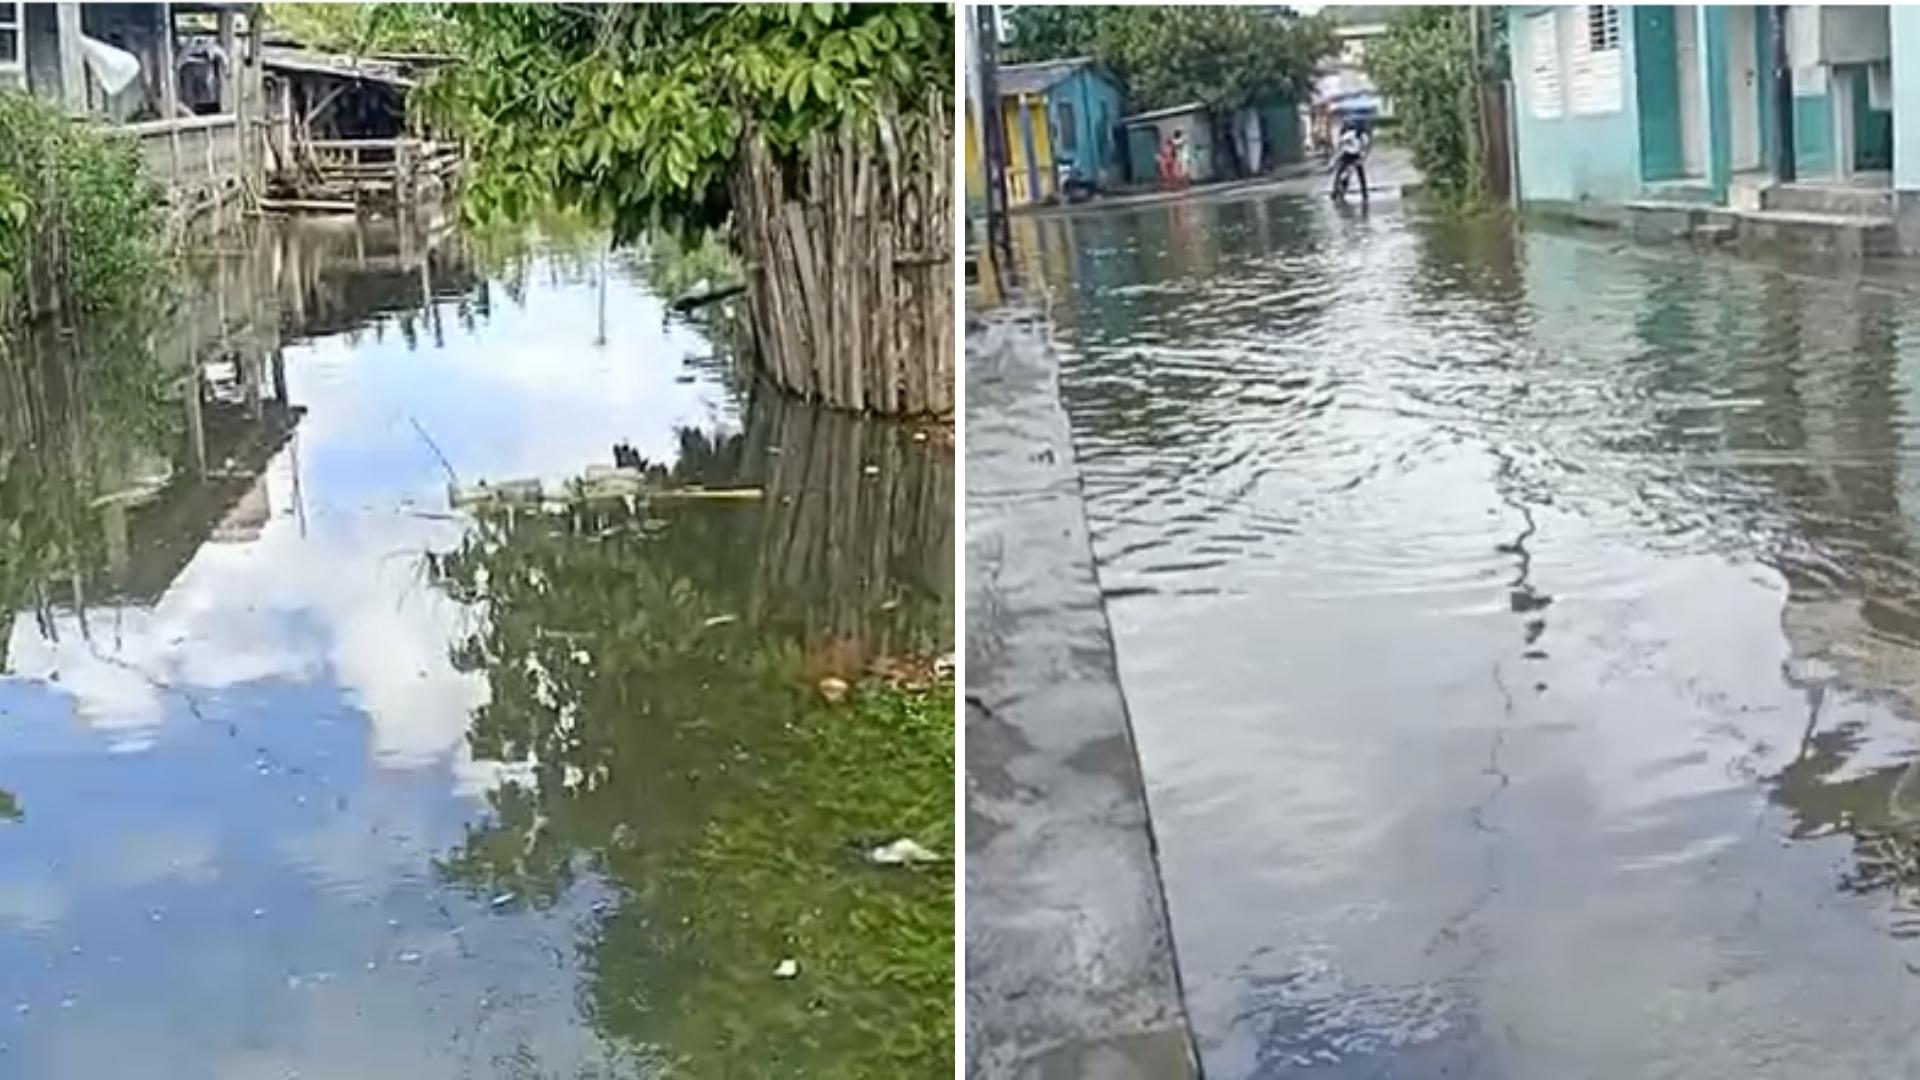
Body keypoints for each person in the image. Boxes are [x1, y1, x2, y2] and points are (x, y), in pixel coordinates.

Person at [1331, 117, 1370, 203]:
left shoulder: (1363, 137)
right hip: (1347, 155)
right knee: (1338, 173)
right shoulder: (1350, 135)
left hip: (1356, 155)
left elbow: (1365, 148)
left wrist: (1362, 158)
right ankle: (1334, 192)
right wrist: (1339, 153)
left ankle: (1364, 193)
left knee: (1361, 175)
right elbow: (1340, 142)